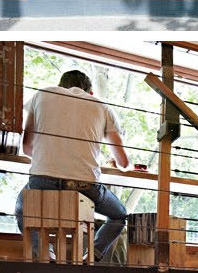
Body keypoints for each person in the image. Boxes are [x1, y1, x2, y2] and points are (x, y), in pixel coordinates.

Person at [15, 69, 129, 261]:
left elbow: (27, 148)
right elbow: (123, 163)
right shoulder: (101, 106)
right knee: (119, 215)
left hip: (43, 181)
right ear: (90, 92)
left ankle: (44, 251)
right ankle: (93, 254)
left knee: (21, 209)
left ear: (60, 86)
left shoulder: (43, 95)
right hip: (85, 185)